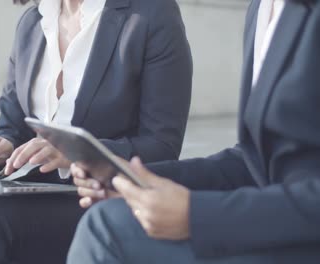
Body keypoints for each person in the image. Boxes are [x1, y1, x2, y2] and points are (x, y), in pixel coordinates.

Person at [0, 0, 192, 263]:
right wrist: (3, 145)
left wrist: (75, 152)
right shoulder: (33, 23)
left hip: (96, 193)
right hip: (33, 185)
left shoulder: (151, 15)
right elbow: (12, 123)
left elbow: (162, 145)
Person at [68, 0, 320, 263]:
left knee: (106, 228)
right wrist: (137, 178)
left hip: (300, 238)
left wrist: (196, 216)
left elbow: (162, 139)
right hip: (276, 225)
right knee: (108, 217)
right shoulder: (261, 9)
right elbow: (254, 163)